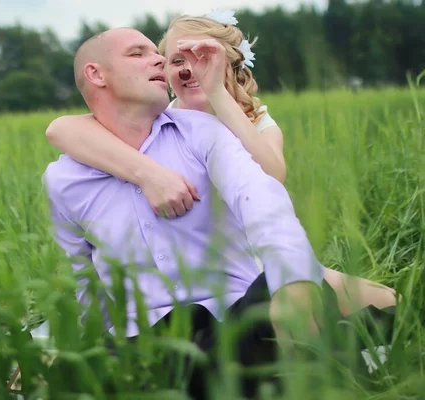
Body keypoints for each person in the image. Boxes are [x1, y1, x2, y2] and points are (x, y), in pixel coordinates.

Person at [42, 26, 396, 400]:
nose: (159, 60)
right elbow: (83, 276)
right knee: (73, 378)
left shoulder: (203, 130)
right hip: (142, 341)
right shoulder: (63, 180)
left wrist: (290, 280)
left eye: (158, 53)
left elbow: (261, 197)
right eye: (138, 53)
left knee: (317, 298)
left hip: (230, 316)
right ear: (96, 74)